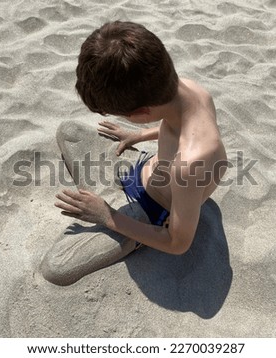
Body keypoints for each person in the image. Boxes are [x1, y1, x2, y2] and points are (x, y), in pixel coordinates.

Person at [54, 21, 227, 255]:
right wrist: (137, 135)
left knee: (57, 265)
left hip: (155, 209)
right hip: (145, 168)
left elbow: (177, 243)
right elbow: (180, 128)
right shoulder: (192, 89)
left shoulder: (191, 163)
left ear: (143, 113)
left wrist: (107, 216)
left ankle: (109, 209)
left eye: (126, 116)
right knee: (70, 131)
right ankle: (104, 194)